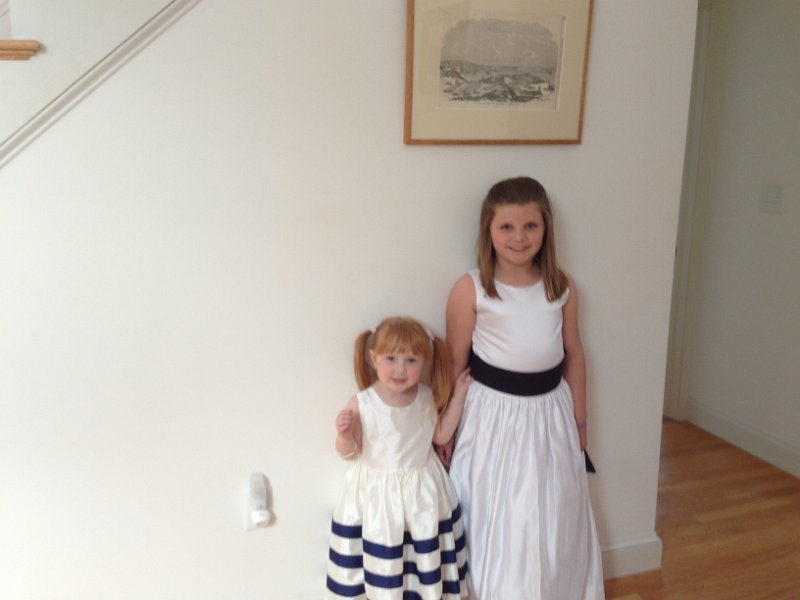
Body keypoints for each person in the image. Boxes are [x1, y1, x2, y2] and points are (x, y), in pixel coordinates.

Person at [443, 177, 605, 599]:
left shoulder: (561, 286)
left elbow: (575, 354)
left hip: (550, 415)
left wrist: (581, 425)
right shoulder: (471, 288)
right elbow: (454, 364)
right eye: (507, 227)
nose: (519, 238)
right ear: (488, 230)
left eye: (530, 226)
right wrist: (446, 428)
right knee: (498, 514)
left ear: (546, 227)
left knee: (551, 513)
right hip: (491, 417)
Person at [324, 316, 472, 600]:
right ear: (373, 358)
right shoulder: (363, 402)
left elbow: (441, 435)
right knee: (384, 557)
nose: (400, 369)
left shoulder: (426, 397)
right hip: (377, 498)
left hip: (422, 493)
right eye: (391, 358)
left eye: (411, 360)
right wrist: (344, 435)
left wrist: (458, 399)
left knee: (418, 556)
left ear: (424, 362)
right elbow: (350, 452)